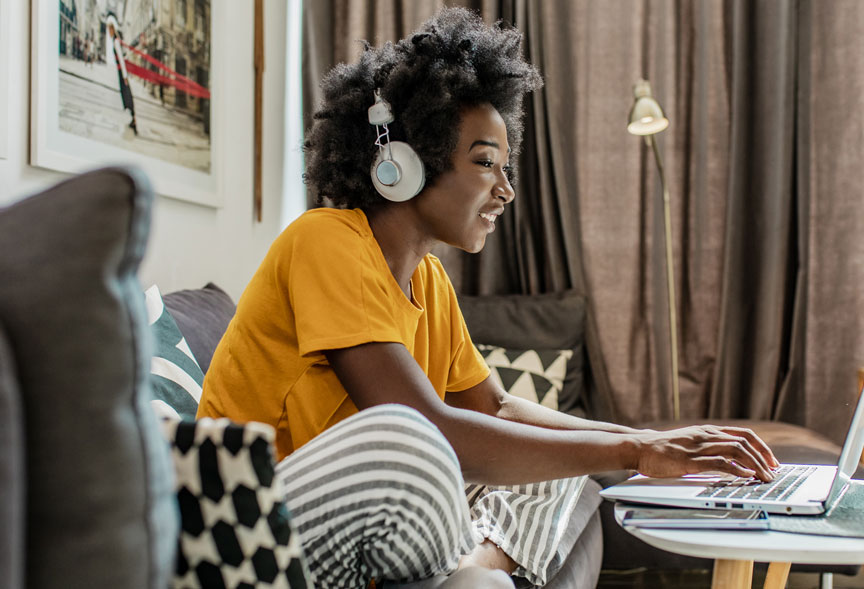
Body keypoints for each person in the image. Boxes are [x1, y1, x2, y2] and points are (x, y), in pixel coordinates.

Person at [197, 8, 778, 588]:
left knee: (561, 466)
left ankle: (475, 571)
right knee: (409, 439)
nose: (506, 190)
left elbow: (496, 410)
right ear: (403, 163)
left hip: (365, 522)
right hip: (257, 532)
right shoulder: (324, 241)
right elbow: (424, 429)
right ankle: (468, 570)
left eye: (506, 166)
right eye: (484, 163)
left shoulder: (428, 282)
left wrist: (643, 442)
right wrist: (632, 450)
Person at [105, 14, 138, 136]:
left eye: (109, 29)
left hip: (122, 73)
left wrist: (124, 77)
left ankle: (134, 119)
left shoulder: (116, 42)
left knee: (127, 94)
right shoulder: (116, 41)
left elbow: (121, 60)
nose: (109, 32)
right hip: (121, 73)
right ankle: (132, 119)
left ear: (112, 29)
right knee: (126, 95)